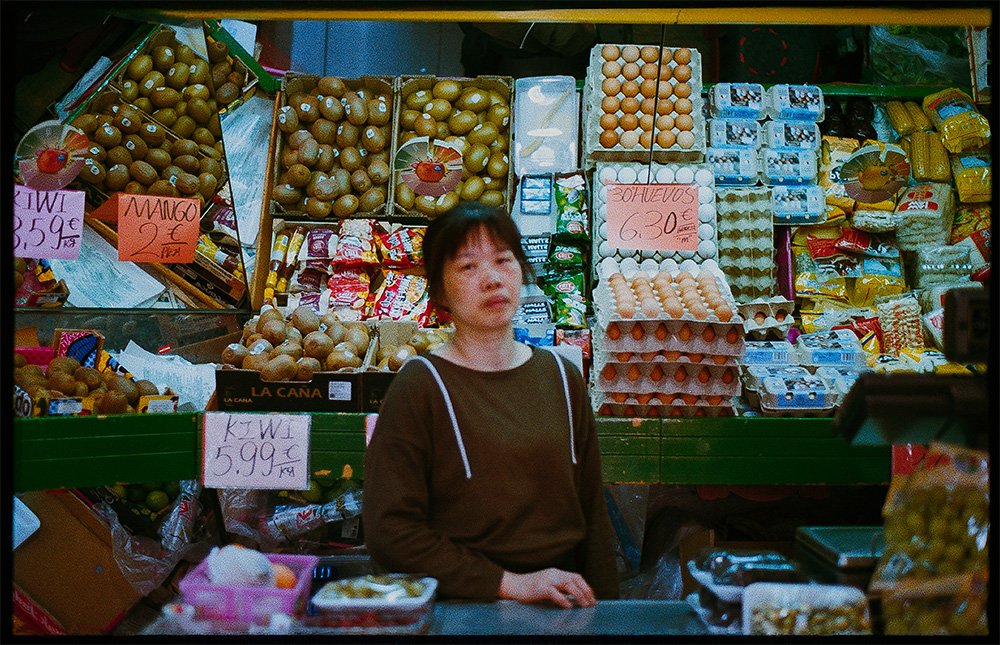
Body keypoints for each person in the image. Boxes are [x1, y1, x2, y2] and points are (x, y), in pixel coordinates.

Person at [363, 202, 619, 608]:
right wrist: (508, 583)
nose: (492, 279)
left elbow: (593, 514)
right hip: (465, 607)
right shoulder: (421, 385)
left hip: (564, 603)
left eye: (504, 260)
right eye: (468, 266)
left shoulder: (561, 375)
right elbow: (390, 531)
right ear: (440, 290)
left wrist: (607, 613)